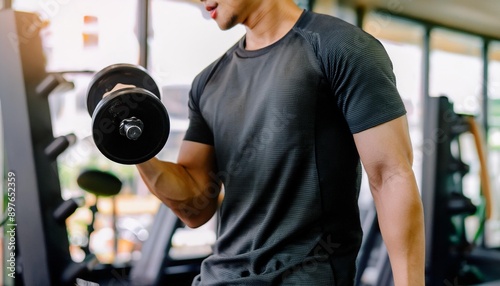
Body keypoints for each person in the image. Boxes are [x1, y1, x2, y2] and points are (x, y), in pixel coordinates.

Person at [136, 0, 425, 285]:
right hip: (217, 278)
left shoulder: (341, 47)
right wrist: (135, 149)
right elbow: (196, 208)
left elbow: (390, 176)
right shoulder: (208, 82)